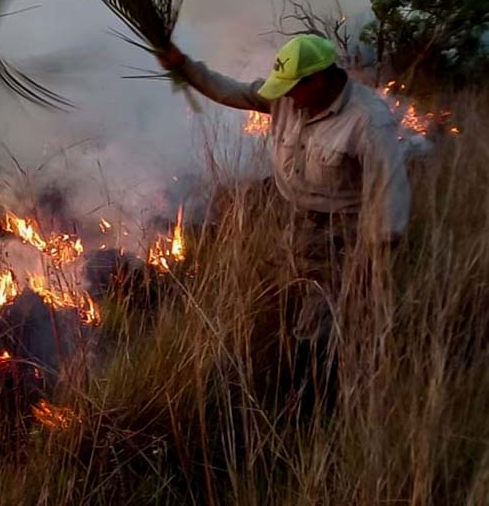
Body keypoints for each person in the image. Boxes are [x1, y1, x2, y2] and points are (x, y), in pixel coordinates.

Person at [157, 35, 411, 414]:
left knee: (319, 324)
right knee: (281, 301)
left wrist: (371, 263)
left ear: (319, 80)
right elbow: (233, 92)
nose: (286, 98)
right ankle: (292, 367)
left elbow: (389, 194)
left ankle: (313, 408)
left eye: (293, 89)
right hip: (296, 222)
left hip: (343, 233)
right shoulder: (287, 96)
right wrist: (184, 66)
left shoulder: (367, 121)